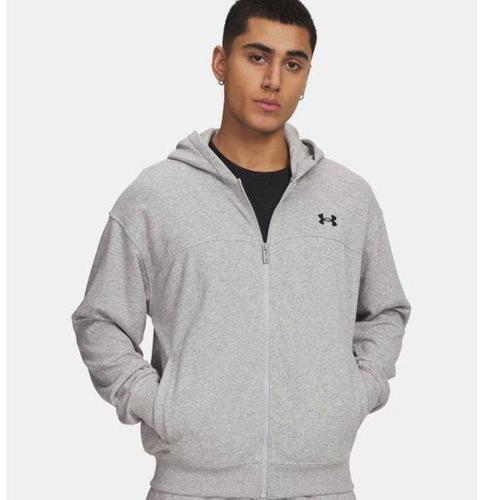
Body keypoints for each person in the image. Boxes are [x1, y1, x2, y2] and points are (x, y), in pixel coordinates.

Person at [71, 1, 412, 499]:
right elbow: (100, 321)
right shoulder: (156, 197)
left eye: (292, 64)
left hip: (323, 485)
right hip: (190, 488)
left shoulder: (349, 198)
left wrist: (357, 392)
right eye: (257, 57)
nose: (273, 80)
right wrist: (159, 406)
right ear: (220, 62)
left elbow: (386, 311)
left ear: (306, 77)